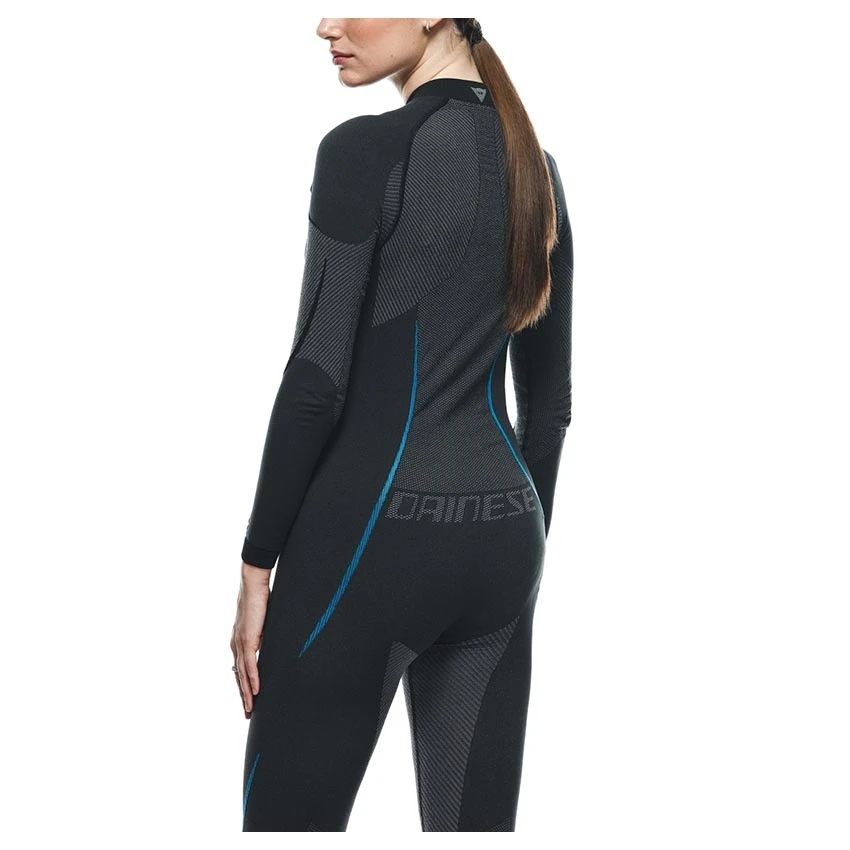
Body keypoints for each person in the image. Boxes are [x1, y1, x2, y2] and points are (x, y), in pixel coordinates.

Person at [231, 17, 573, 832]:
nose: (327, 23)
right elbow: (550, 405)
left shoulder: (365, 152)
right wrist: (512, 551)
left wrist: (255, 568)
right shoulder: (538, 169)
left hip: (368, 542)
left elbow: (316, 383)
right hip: (504, 544)